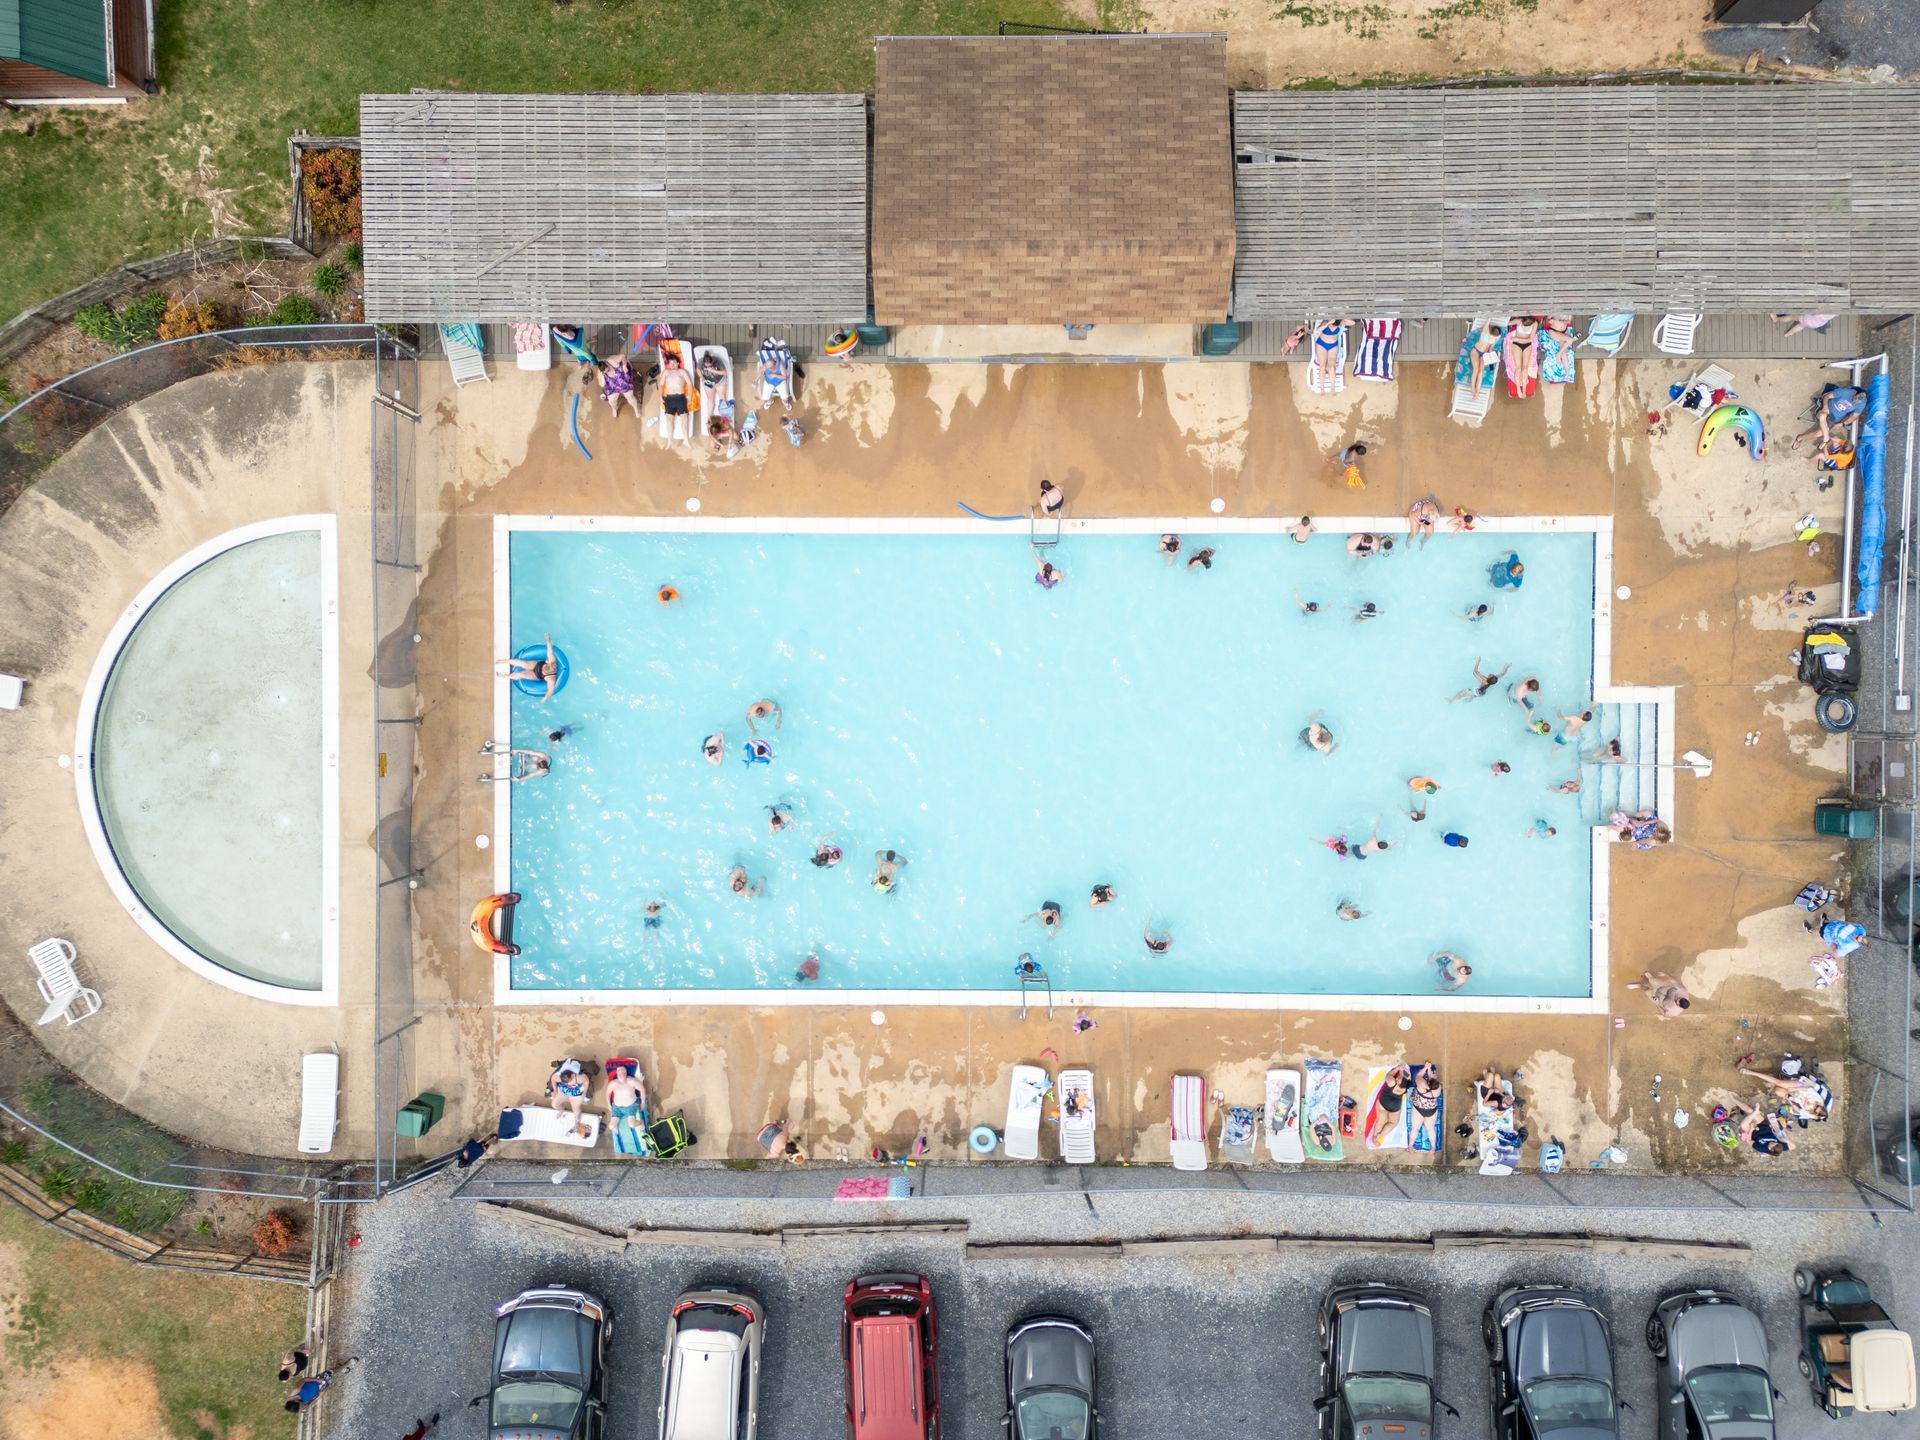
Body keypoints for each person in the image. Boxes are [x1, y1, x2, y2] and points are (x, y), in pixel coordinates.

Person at [1795, 382, 1868, 450]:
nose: (1853, 401)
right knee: (1823, 415)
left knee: (1820, 433)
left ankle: (1800, 437)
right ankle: (1826, 438)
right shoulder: (1845, 392)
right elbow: (1827, 396)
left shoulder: (1861, 404)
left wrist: (1842, 424)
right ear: (1855, 393)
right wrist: (1825, 407)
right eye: (1854, 399)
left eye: (1856, 402)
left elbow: (1855, 416)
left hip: (1834, 418)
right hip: (1825, 408)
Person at [496, 632, 560, 701]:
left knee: (522, 674)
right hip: (537, 665)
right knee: (524, 664)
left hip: (537, 675)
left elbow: (551, 690)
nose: (543, 670)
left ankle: (505, 676)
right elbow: (550, 650)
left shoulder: (551, 679)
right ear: (547, 662)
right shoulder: (552, 660)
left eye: (545, 670)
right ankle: (504, 661)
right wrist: (548, 640)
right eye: (545, 667)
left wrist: (545, 697)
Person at [285, 1359, 357, 1413]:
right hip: (320, 1389)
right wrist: (321, 1393)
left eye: (301, 1405)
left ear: (295, 1401)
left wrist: (317, 1380)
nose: (302, 1406)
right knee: (330, 1375)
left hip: (316, 1381)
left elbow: (304, 1380)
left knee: (329, 1373)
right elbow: (313, 1401)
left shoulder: (296, 1391)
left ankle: (347, 1364)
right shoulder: (302, 1407)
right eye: (301, 1407)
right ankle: (340, 1368)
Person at [658, 350, 694, 441]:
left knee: (685, 419)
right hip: (669, 398)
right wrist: (660, 395)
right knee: (669, 420)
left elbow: (690, 384)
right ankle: (669, 440)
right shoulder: (666, 372)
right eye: (671, 363)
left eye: (674, 362)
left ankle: (686, 440)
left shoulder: (682, 371)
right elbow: (661, 384)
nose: (672, 364)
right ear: (669, 365)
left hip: (680, 398)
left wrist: (689, 396)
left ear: (678, 363)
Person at [548, 1060, 591, 1127]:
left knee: (575, 1109)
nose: (568, 1083)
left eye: (569, 1081)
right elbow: (553, 1079)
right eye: (565, 1082)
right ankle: (562, 1109)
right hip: (563, 1090)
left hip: (576, 1092)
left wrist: (584, 1093)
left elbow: (586, 1081)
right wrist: (555, 1090)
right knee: (554, 1105)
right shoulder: (558, 1077)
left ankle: (577, 1121)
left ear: (573, 1076)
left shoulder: (579, 1077)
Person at [1410, 1065, 1442, 1149]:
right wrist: (1429, 1069)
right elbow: (1433, 1078)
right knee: (1430, 1129)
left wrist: (1425, 1068)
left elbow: (1418, 1076)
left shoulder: (1421, 1086)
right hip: (1431, 1110)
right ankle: (1433, 1148)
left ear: (1427, 1083)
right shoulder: (1438, 1089)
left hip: (1418, 1108)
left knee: (1415, 1128)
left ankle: (1410, 1146)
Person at [478, 747, 550, 784]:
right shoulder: (543, 755)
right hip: (532, 759)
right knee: (534, 757)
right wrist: (517, 750)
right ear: (542, 759)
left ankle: (526, 765)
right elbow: (530, 752)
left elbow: (531, 775)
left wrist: (519, 779)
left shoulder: (542, 771)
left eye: (538, 761)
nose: (538, 760)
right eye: (539, 760)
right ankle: (525, 762)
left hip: (532, 768)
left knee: (533, 766)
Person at [1771, 312, 1837, 338]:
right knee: (1801, 325)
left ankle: (1776, 319)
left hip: (1807, 319)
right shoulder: (1835, 312)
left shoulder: (1822, 311)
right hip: (1817, 323)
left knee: (1792, 317)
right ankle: (1789, 333)